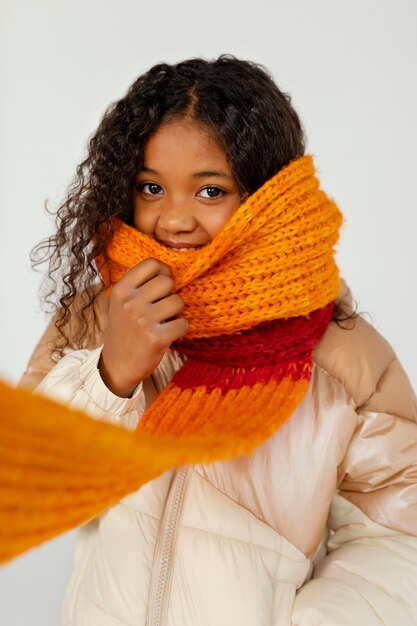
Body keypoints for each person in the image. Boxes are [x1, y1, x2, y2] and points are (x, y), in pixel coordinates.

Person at [20, 55, 417, 626]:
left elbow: (396, 532)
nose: (174, 219)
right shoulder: (92, 320)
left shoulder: (345, 357)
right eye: (151, 187)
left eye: (210, 191)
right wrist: (110, 375)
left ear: (268, 198)